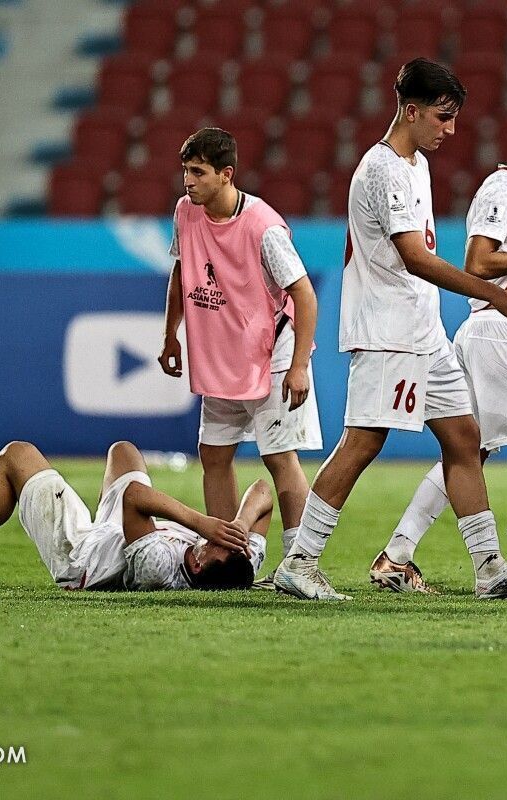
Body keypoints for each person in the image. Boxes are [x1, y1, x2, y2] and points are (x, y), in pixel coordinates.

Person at [272, 58, 507, 601]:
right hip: (386, 330)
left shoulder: (416, 164)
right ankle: (299, 562)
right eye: (443, 117)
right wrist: (497, 294)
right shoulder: (382, 170)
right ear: (411, 110)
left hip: (424, 332)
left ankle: (489, 567)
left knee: (464, 438)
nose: (451, 130)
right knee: (363, 442)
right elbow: (416, 259)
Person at [369, 98, 507, 594]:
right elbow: (478, 262)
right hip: (497, 328)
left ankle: (398, 552)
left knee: (470, 449)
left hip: (498, 330)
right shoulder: (503, 188)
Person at [158, 127, 321, 586]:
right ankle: (227, 556)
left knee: (281, 459)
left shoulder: (263, 228)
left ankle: (300, 564)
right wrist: (170, 334)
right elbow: (181, 269)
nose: (187, 181)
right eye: (185, 171)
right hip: (223, 354)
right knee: (213, 454)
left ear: (227, 175)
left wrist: (299, 366)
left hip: (272, 353)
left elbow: (304, 297)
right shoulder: (186, 212)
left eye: (198, 172)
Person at [0, 441, 269, 592]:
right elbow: (263, 493)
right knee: (123, 451)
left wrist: (200, 522)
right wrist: (240, 524)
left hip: (84, 554)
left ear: (197, 564)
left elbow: (134, 498)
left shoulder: (159, 566)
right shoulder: (240, 565)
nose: (221, 536)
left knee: (16, 456)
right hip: (121, 531)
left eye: (217, 543)